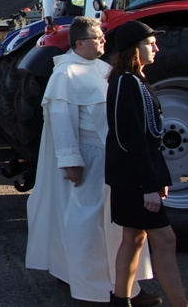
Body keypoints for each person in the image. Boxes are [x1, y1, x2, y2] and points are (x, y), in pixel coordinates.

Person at [26, 17, 157, 305]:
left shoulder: (105, 69)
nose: (103, 41)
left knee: (118, 225)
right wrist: (71, 160)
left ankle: (125, 285)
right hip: (89, 160)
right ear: (80, 43)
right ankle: (91, 288)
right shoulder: (65, 75)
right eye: (98, 38)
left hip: (114, 158)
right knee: (88, 225)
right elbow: (61, 121)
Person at [106, 20, 187, 307]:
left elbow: (146, 139)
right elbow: (129, 140)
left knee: (134, 238)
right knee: (164, 241)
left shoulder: (135, 80)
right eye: (149, 43)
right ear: (133, 49)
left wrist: (159, 179)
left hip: (137, 178)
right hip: (134, 181)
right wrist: (148, 186)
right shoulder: (127, 82)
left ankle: (121, 300)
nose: (156, 48)